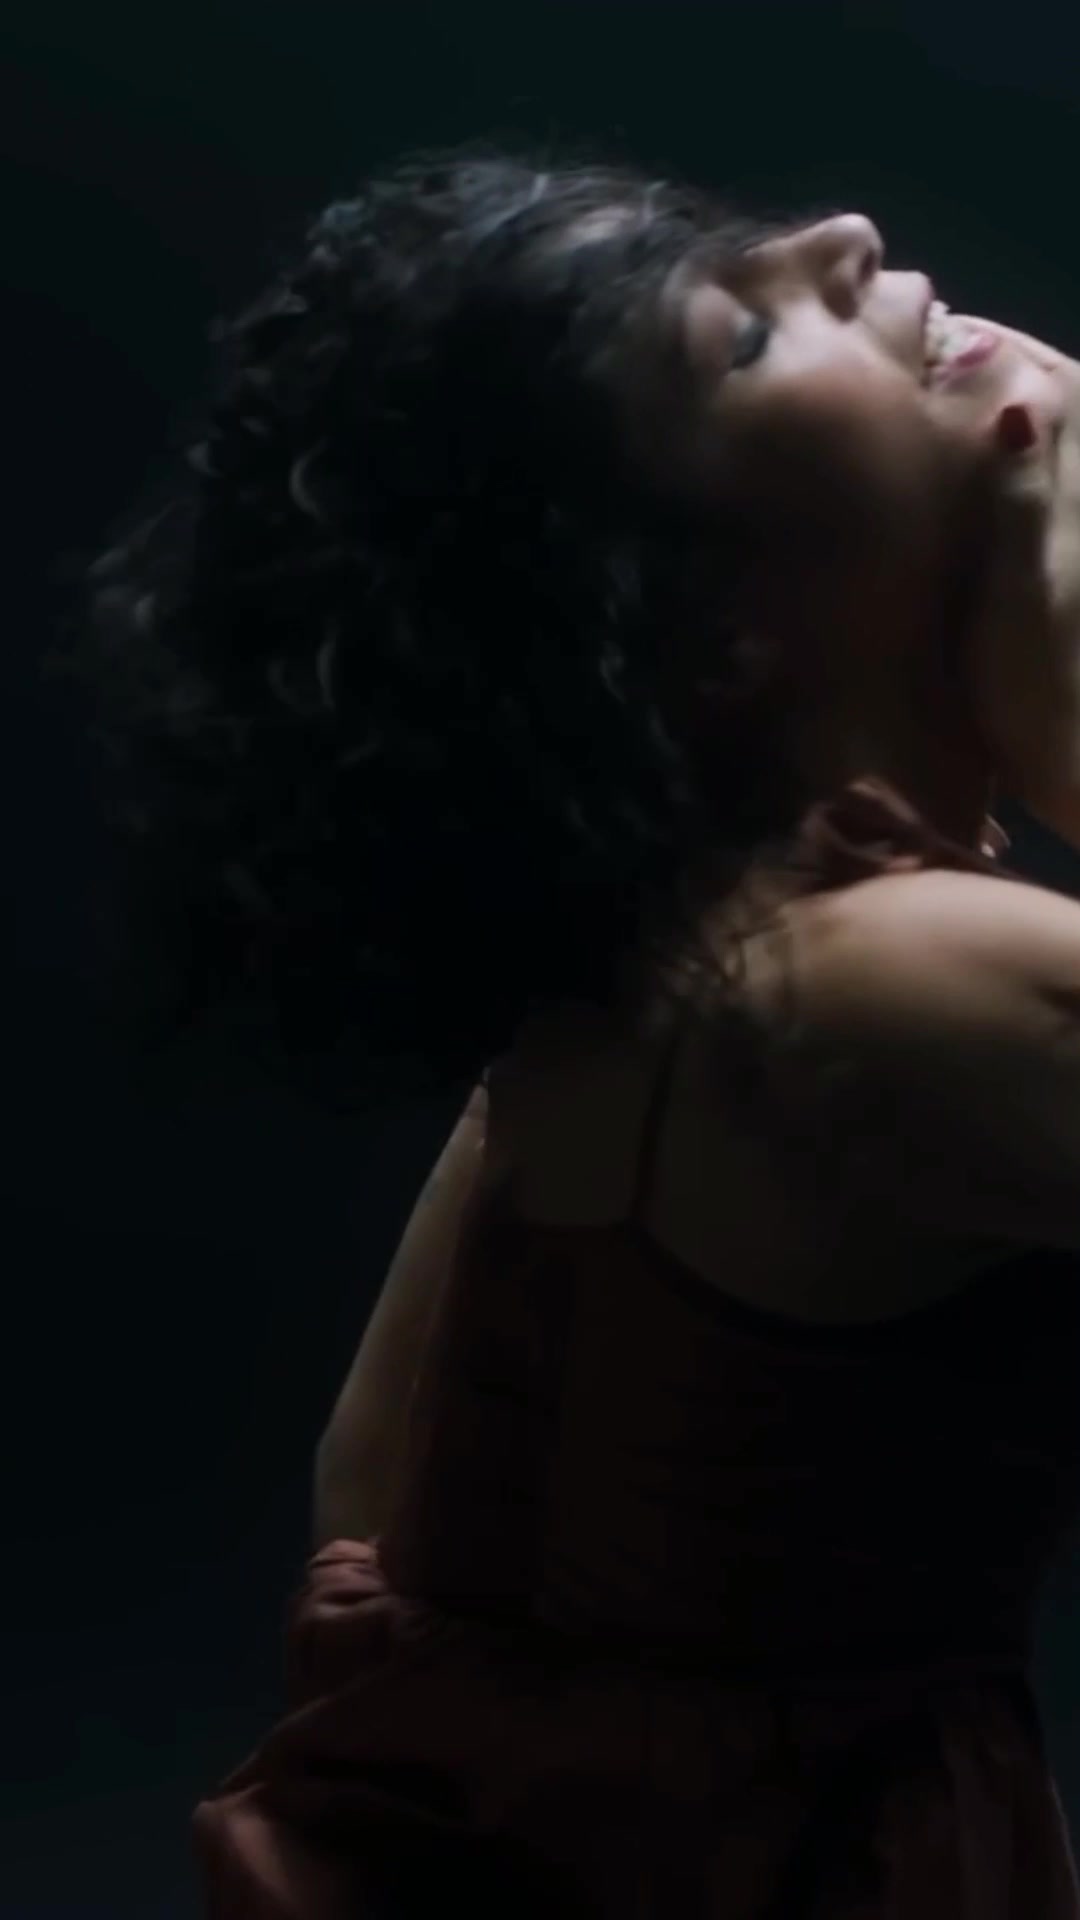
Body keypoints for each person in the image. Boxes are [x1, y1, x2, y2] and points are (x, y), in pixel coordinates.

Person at [68, 149, 1080, 1914]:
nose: (843, 235)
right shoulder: (883, 990)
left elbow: (368, 1487)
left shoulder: (647, 962)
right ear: (710, 638)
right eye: (741, 338)